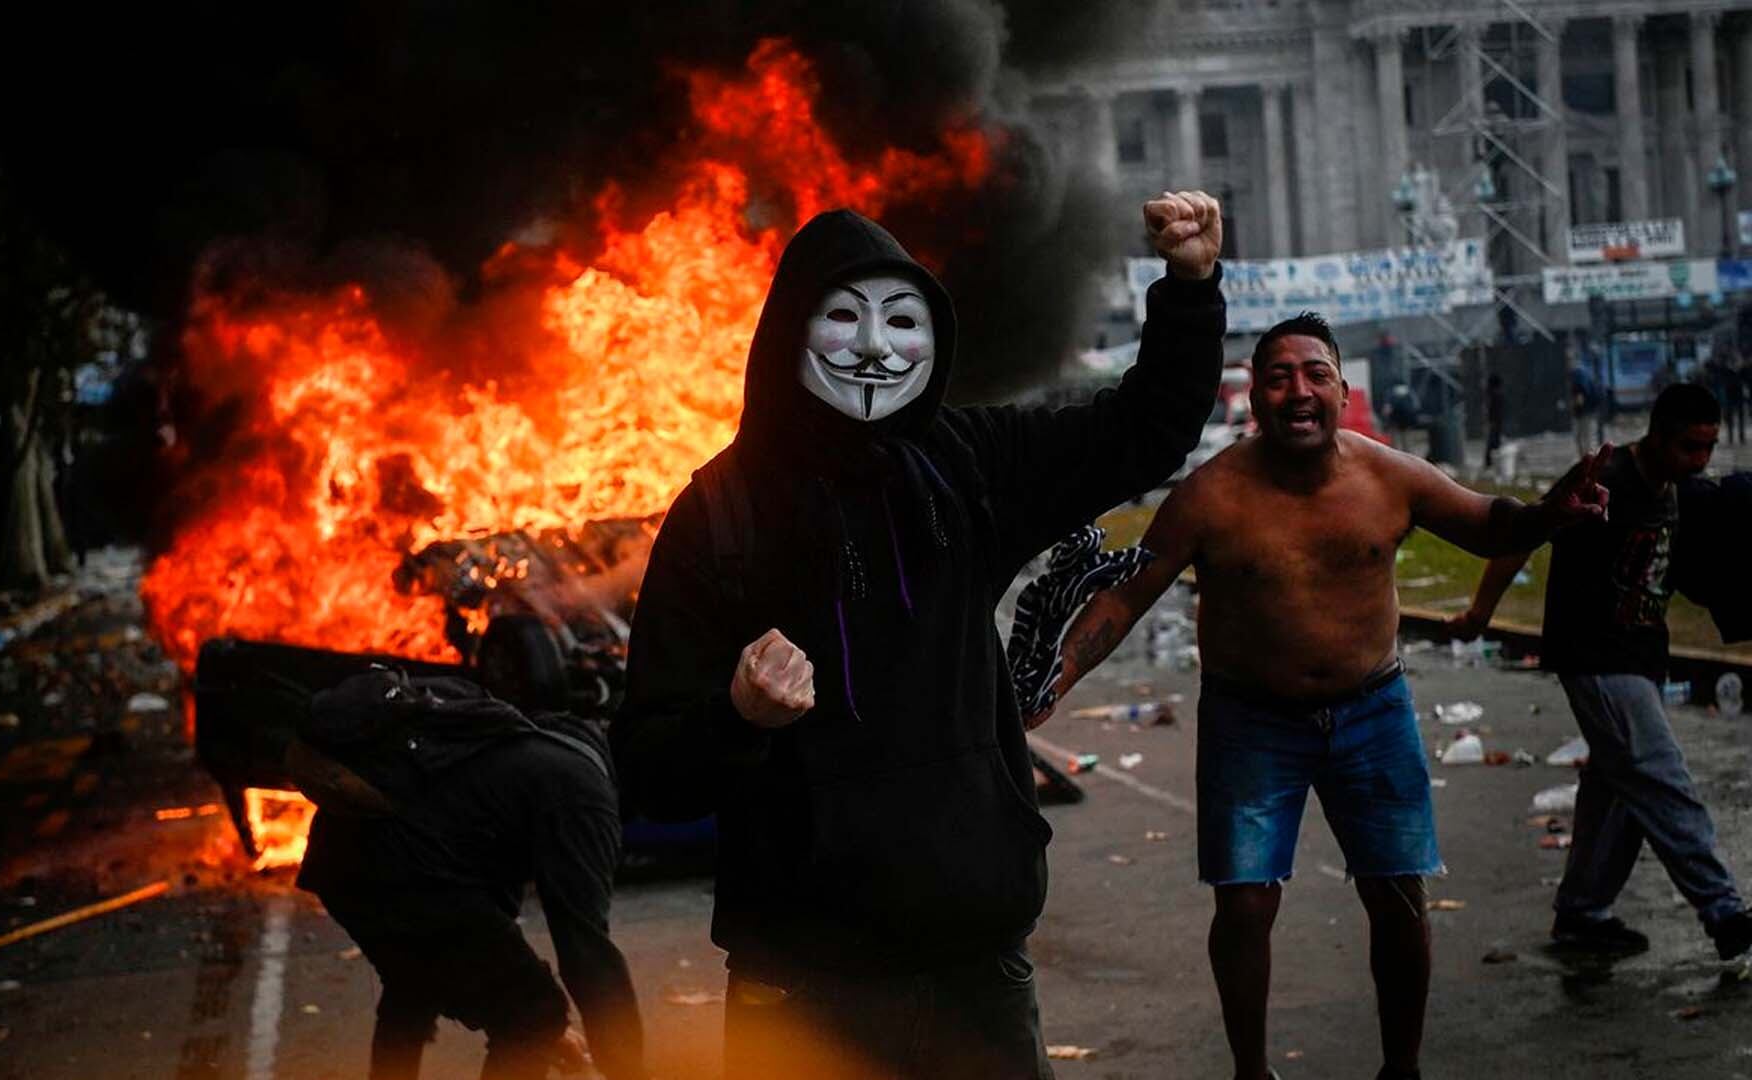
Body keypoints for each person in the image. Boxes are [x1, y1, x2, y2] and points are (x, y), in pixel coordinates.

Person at [612, 195, 1226, 1079]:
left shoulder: (967, 464)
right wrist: (738, 713)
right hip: (800, 986)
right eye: (842, 318)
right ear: (789, 334)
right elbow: (650, 767)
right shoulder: (718, 516)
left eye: (902, 320)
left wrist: (1191, 287)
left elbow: (1141, 434)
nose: (874, 348)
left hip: (977, 967)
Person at [1033, 311, 1611, 1080]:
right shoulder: (1210, 496)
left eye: (1314, 375)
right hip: (1249, 720)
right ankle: (1251, 1071)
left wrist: (1549, 514)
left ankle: (1400, 1067)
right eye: (1277, 377)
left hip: (1373, 710)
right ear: (1254, 395)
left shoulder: (1390, 476)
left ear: (1341, 389)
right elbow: (1122, 600)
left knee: (1398, 898)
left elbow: (1488, 525)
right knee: (1243, 905)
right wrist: (1051, 682)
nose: (1297, 391)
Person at [1449, 383, 1752, 965]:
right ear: (1657, 435)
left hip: (1640, 656)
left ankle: (1583, 914)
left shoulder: (1678, 490)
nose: (1700, 460)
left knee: (1618, 790)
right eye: (1690, 446)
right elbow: (1522, 538)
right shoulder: (1604, 478)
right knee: (1660, 777)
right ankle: (1725, 913)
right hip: (1596, 656)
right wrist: (1481, 613)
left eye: (1709, 447)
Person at [292, 671, 646, 1080]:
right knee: (534, 1014)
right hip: (393, 872)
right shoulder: (586, 799)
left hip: (340, 860)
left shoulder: (533, 739)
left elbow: (490, 911)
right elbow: (586, 951)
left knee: (415, 980)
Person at [1483, 372, 1505, 470]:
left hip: (1495, 424)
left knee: (1493, 445)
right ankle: (1493, 464)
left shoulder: (1495, 396)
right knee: (1494, 444)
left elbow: (1494, 411)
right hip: (1496, 423)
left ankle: (1490, 464)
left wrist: (1491, 422)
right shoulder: (1497, 395)